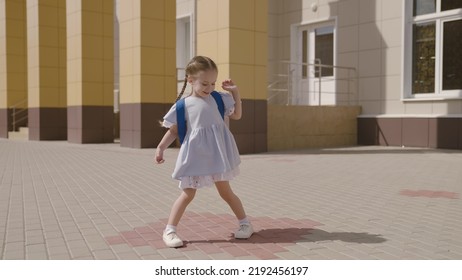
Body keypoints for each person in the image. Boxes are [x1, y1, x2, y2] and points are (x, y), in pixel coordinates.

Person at [155, 56, 253, 248]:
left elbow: (237, 115)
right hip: (196, 156)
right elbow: (173, 130)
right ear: (190, 80)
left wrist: (236, 93)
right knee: (187, 194)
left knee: (226, 192)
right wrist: (160, 148)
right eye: (205, 83)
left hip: (217, 155)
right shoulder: (183, 106)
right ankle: (170, 230)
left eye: (213, 83)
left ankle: (245, 224)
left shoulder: (218, 98)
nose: (209, 88)